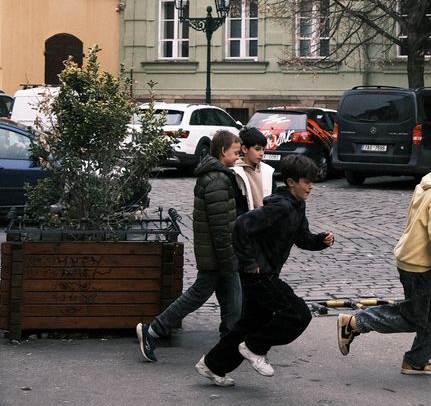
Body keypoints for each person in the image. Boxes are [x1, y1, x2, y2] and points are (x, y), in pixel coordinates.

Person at [336, 139, 431, 376]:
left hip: (423, 258)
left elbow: (424, 222)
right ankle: (356, 322)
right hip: (419, 262)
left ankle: (416, 360)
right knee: (413, 317)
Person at [195, 154, 333, 386]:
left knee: (251, 322)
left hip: (266, 272)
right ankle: (254, 347)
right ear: (291, 182)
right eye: (306, 182)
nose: (311, 187)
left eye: (312, 182)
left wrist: (321, 240)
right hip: (259, 274)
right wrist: (250, 263)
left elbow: (302, 237)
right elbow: (241, 225)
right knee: (298, 314)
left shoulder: (297, 205)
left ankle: (212, 365)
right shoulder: (280, 207)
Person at [137, 128, 248, 362]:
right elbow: (220, 227)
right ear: (223, 151)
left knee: (232, 298)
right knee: (202, 295)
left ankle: (230, 344)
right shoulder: (217, 180)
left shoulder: (217, 176)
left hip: (217, 254)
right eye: (235, 152)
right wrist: (229, 259)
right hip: (217, 255)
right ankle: (154, 330)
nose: (238, 156)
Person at [235, 126, 274, 210]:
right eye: (257, 149)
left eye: (263, 149)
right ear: (244, 149)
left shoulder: (268, 171)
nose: (261, 153)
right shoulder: (236, 172)